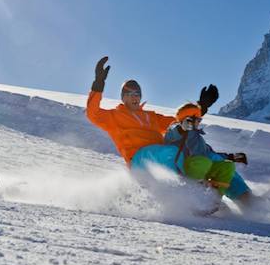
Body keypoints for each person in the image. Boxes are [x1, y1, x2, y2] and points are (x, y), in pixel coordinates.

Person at [86, 56, 251, 202]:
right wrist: (98, 84)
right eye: (130, 93)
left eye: (138, 93)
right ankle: (187, 195)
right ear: (123, 97)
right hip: (138, 159)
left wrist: (200, 108)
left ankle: (245, 199)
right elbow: (93, 114)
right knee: (170, 152)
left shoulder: (151, 116)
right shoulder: (114, 116)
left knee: (217, 161)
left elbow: (179, 122)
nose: (135, 97)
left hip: (162, 156)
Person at [163, 102, 248, 197]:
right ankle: (194, 196)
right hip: (184, 168)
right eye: (198, 119)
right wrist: (181, 128)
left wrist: (230, 157)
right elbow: (170, 135)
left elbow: (208, 153)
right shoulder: (176, 128)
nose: (200, 122)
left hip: (202, 167)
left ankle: (214, 199)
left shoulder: (196, 136)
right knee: (203, 162)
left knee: (227, 166)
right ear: (189, 119)